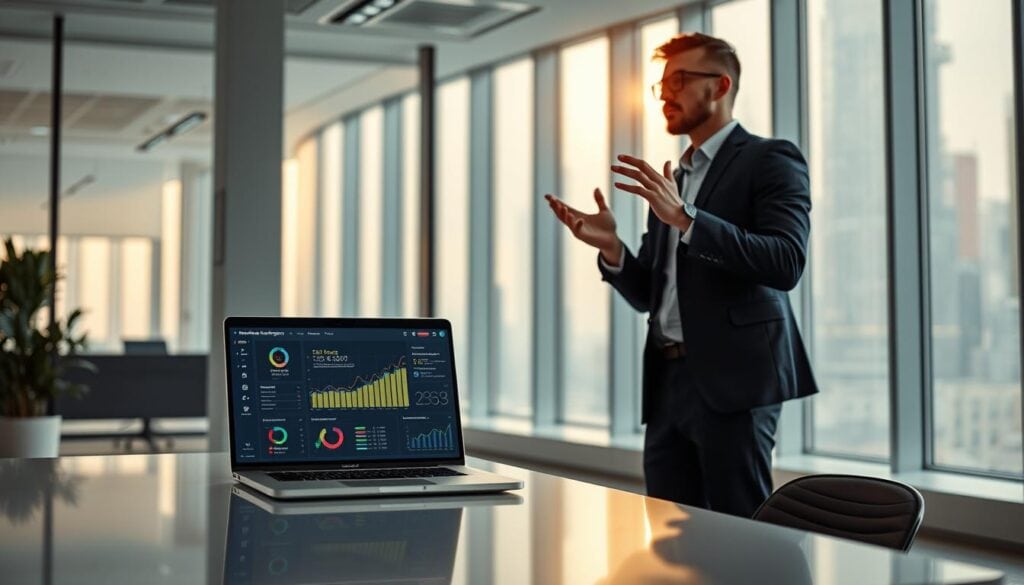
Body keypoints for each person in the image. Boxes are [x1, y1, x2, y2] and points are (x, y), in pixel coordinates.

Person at [545, 32, 818, 517]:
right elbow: (653, 294)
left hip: (734, 383)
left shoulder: (769, 159)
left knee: (740, 533)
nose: (665, 94)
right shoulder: (675, 180)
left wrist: (688, 218)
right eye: (661, 84)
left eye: (679, 80)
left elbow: (785, 262)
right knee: (671, 534)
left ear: (720, 85)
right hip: (668, 381)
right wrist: (612, 248)